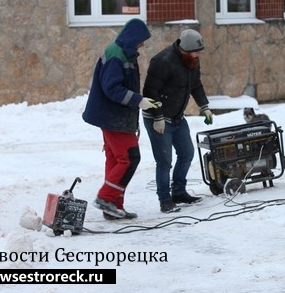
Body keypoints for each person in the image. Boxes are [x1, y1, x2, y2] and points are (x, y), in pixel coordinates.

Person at [82, 18, 157, 220]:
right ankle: (105, 197)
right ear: (133, 37)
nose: (142, 44)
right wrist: (138, 100)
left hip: (115, 117)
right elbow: (112, 88)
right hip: (113, 118)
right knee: (131, 157)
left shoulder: (123, 52)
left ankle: (113, 206)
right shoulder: (116, 55)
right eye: (141, 40)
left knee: (116, 160)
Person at [142, 29, 214, 213]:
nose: (198, 55)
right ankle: (165, 200)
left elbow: (196, 84)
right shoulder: (162, 61)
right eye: (196, 52)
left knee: (187, 153)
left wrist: (204, 106)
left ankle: (179, 192)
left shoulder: (192, 61)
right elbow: (150, 91)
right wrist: (157, 116)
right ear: (185, 50)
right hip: (158, 118)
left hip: (177, 117)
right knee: (164, 161)